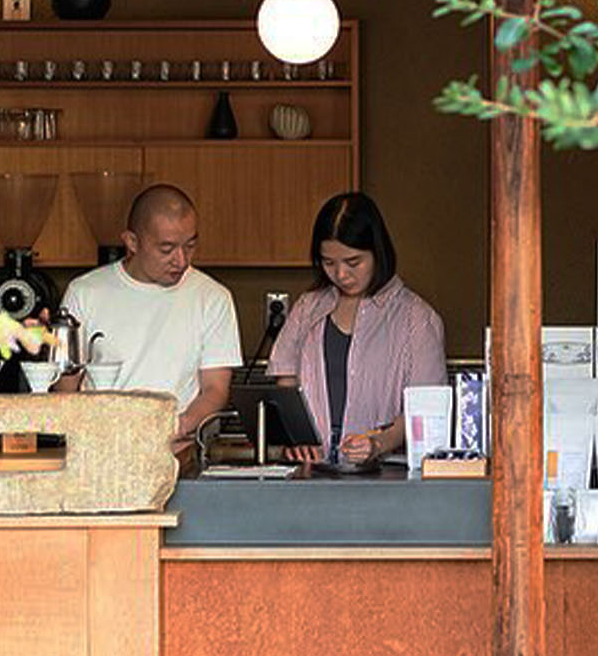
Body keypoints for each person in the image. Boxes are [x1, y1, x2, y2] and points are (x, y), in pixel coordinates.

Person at [59, 183, 241, 448]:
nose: (181, 260)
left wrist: (179, 426)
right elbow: (66, 389)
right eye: (166, 249)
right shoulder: (85, 293)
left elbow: (215, 389)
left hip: (178, 450)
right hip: (100, 449)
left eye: (189, 246)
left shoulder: (212, 297)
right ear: (132, 242)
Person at [269, 191, 445, 465]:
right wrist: (296, 440)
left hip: (384, 477)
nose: (341, 274)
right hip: (312, 473)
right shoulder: (307, 309)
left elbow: (422, 411)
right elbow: (286, 386)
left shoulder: (417, 319)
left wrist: (377, 444)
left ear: (378, 252)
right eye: (329, 263)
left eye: (353, 262)